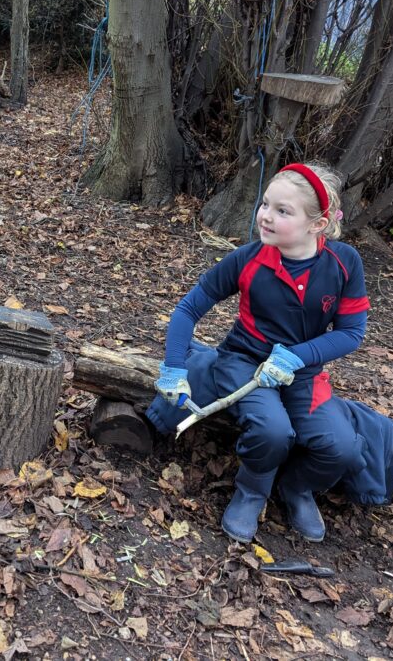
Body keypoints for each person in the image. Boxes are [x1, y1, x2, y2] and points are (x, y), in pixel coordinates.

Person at [154, 163, 370, 543]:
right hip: (244, 362)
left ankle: (297, 489)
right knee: (272, 430)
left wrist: (296, 357)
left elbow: (352, 333)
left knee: (343, 449)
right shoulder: (248, 258)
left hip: (302, 372)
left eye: (282, 211)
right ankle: (252, 491)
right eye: (266, 204)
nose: (265, 216)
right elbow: (188, 309)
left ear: (317, 225)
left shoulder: (344, 262)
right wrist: (173, 368)